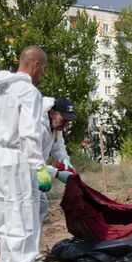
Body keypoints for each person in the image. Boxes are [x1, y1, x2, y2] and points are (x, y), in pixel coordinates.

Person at [0, 45, 51, 262]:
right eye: (42, 68)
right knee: (22, 218)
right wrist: (38, 166)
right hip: (16, 159)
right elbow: (29, 134)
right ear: (34, 65)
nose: (42, 73)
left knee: (2, 217)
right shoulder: (28, 92)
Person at [38, 96, 76, 236]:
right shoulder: (38, 126)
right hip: (23, 172)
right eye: (63, 119)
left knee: (40, 208)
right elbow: (30, 158)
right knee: (24, 213)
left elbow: (58, 148)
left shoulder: (55, 127)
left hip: (37, 171)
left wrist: (65, 161)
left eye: (68, 121)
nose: (64, 124)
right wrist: (56, 173)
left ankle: (33, 253)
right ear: (52, 113)